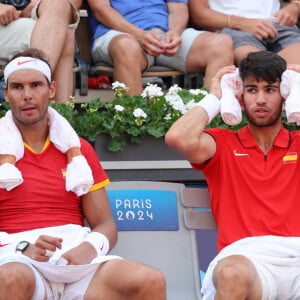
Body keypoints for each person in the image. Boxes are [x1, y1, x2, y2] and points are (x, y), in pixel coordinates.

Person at [0, 48, 166, 299]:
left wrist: (88, 249)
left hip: (74, 256)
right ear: (6, 93)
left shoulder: (78, 148)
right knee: (11, 278)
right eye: (17, 87)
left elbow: (105, 224)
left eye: (36, 85)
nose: (27, 95)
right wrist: (22, 248)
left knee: (150, 281)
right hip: (17, 257)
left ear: (52, 90)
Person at [165, 50, 300, 299]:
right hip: (245, 259)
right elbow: (178, 137)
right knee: (231, 275)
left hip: (297, 254)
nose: (260, 99)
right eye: (251, 90)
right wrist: (216, 96)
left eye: (270, 90)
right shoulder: (223, 143)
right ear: (239, 95)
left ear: (284, 94)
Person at [86, 0, 234, 96]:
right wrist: (139, 35)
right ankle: (130, 128)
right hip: (117, 34)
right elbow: (101, 9)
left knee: (221, 44)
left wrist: (174, 32)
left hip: (162, 33)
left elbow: (178, 8)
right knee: (127, 47)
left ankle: (210, 127)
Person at [0, 0, 82, 103]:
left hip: (28, 20)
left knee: (58, 4)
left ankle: (36, 87)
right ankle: (55, 110)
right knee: (63, 35)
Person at [189, 0, 300, 66]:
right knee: (259, 69)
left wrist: (295, 6)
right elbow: (199, 14)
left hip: (277, 24)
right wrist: (242, 23)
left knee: (296, 70)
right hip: (233, 28)